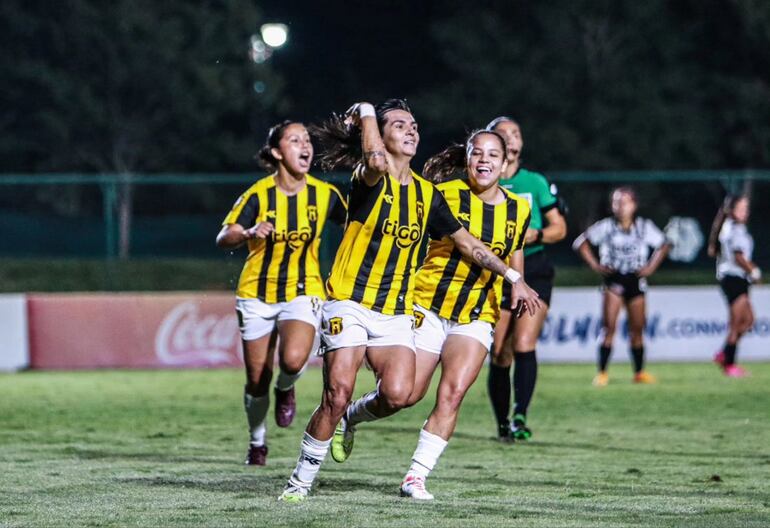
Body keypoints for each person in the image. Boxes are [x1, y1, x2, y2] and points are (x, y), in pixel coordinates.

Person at [279, 100, 538, 502]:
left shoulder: (428, 195)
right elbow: (376, 163)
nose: (412, 130)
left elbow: (469, 244)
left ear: (506, 164)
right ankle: (299, 482)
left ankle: (409, 472)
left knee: (402, 395)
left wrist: (514, 278)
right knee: (338, 391)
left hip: (402, 310)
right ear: (380, 138)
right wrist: (367, 111)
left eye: (414, 124)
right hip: (353, 300)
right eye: (400, 125)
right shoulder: (372, 177)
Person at [397, 130, 538, 500]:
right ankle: (354, 416)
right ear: (467, 158)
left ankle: (416, 476)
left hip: (477, 313)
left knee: (454, 393)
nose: (485, 160)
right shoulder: (443, 194)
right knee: (406, 395)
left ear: (506, 163)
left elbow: (514, 253)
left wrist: (515, 290)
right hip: (428, 304)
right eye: (478, 153)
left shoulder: (518, 209)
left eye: (494, 154)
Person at [216, 121, 347, 466]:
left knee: (292, 360)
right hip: (256, 294)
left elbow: (358, 228)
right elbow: (224, 236)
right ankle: (257, 442)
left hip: (304, 290)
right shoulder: (259, 194)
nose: (305, 146)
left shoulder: (325, 195)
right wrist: (247, 232)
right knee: (256, 379)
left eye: (307, 140)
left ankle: (286, 388)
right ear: (276, 152)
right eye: (294, 140)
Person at [485, 117, 567, 442]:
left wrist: (537, 235)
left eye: (517, 132)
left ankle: (520, 416)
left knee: (523, 344)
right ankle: (502, 422)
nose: (512, 137)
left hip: (533, 269)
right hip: (496, 273)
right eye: (504, 134)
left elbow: (560, 228)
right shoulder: (483, 182)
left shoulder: (534, 182)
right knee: (499, 354)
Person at [572, 186, 671, 387]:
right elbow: (580, 243)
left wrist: (650, 267)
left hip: (635, 279)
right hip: (614, 279)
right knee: (609, 327)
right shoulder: (606, 226)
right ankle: (602, 373)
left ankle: (639, 372)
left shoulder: (644, 226)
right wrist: (596, 265)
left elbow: (664, 244)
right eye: (616, 202)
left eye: (624, 202)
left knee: (637, 329)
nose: (620, 207)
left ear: (634, 205)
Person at [708, 195, 761, 377]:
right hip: (733, 278)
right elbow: (739, 257)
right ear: (731, 210)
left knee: (748, 321)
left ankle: (724, 353)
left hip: (736, 278)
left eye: (746, 208)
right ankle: (729, 364)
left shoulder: (732, 227)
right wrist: (753, 271)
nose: (744, 212)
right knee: (737, 323)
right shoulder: (734, 229)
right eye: (740, 208)